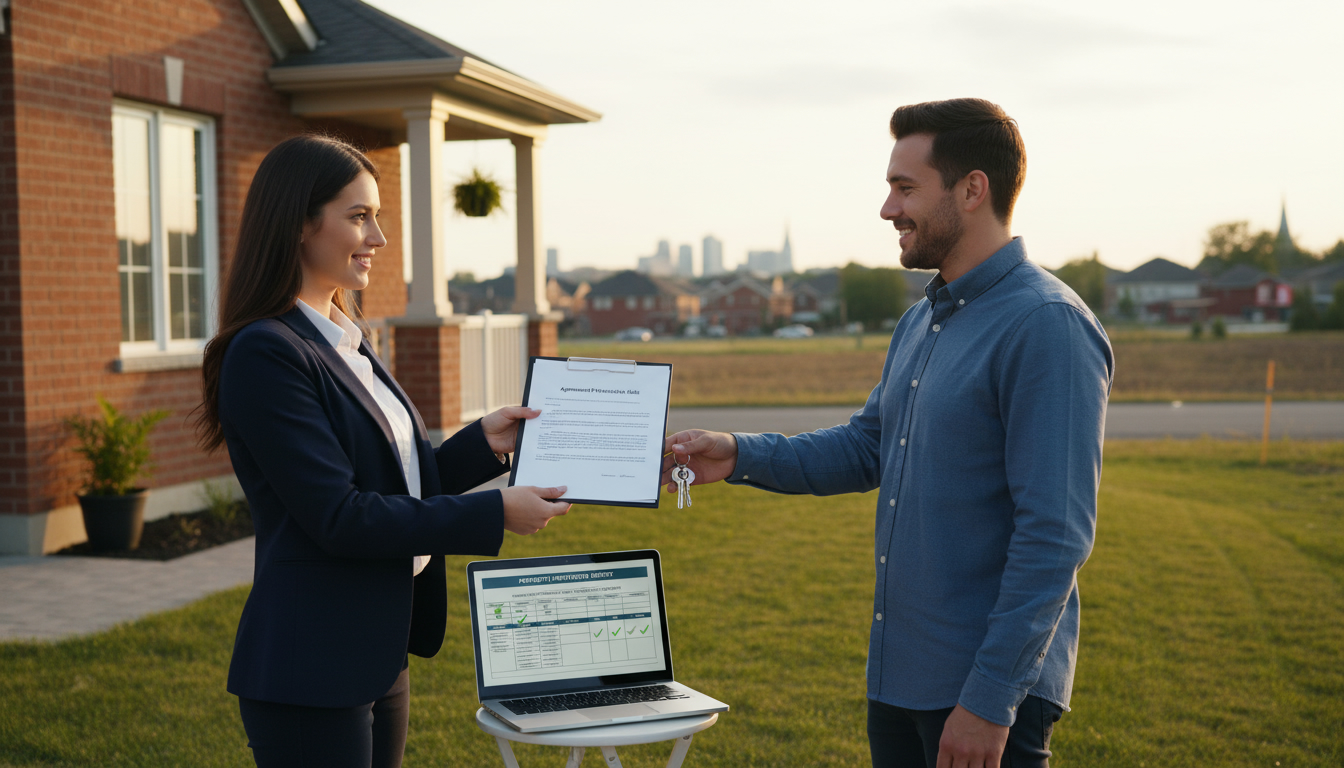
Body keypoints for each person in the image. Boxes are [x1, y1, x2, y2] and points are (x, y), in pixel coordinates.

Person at [662, 99, 1113, 768]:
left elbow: (1055, 537)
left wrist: (990, 699)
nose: (887, 209)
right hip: (901, 678)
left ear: (972, 189)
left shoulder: (1046, 324)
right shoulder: (922, 319)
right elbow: (868, 446)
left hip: (984, 696)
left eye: (905, 188)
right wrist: (735, 453)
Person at [195, 135, 571, 768]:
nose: (379, 238)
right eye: (359, 216)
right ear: (299, 223)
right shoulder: (267, 353)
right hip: (312, 666)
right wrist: (494, 512)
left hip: (376, 649)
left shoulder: (345, 340)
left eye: (377, 217)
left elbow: (392, 483)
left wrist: (482, 444)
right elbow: (340, 517)